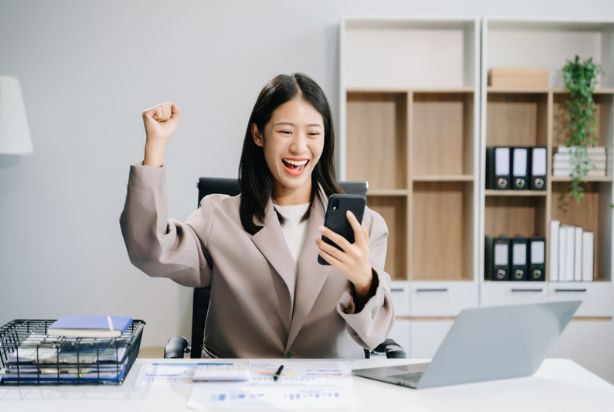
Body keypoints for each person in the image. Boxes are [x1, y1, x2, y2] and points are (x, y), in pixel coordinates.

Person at [120, 73, 394, 358]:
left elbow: (373, 336)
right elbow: (150, 252)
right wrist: (155, 146)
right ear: (258, 135)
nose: (300, 147)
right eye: (286, 131)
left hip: (326, 396)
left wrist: (365, 281)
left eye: (313, 133)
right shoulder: (220, 217)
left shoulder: (365, 226)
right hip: (236, 393)